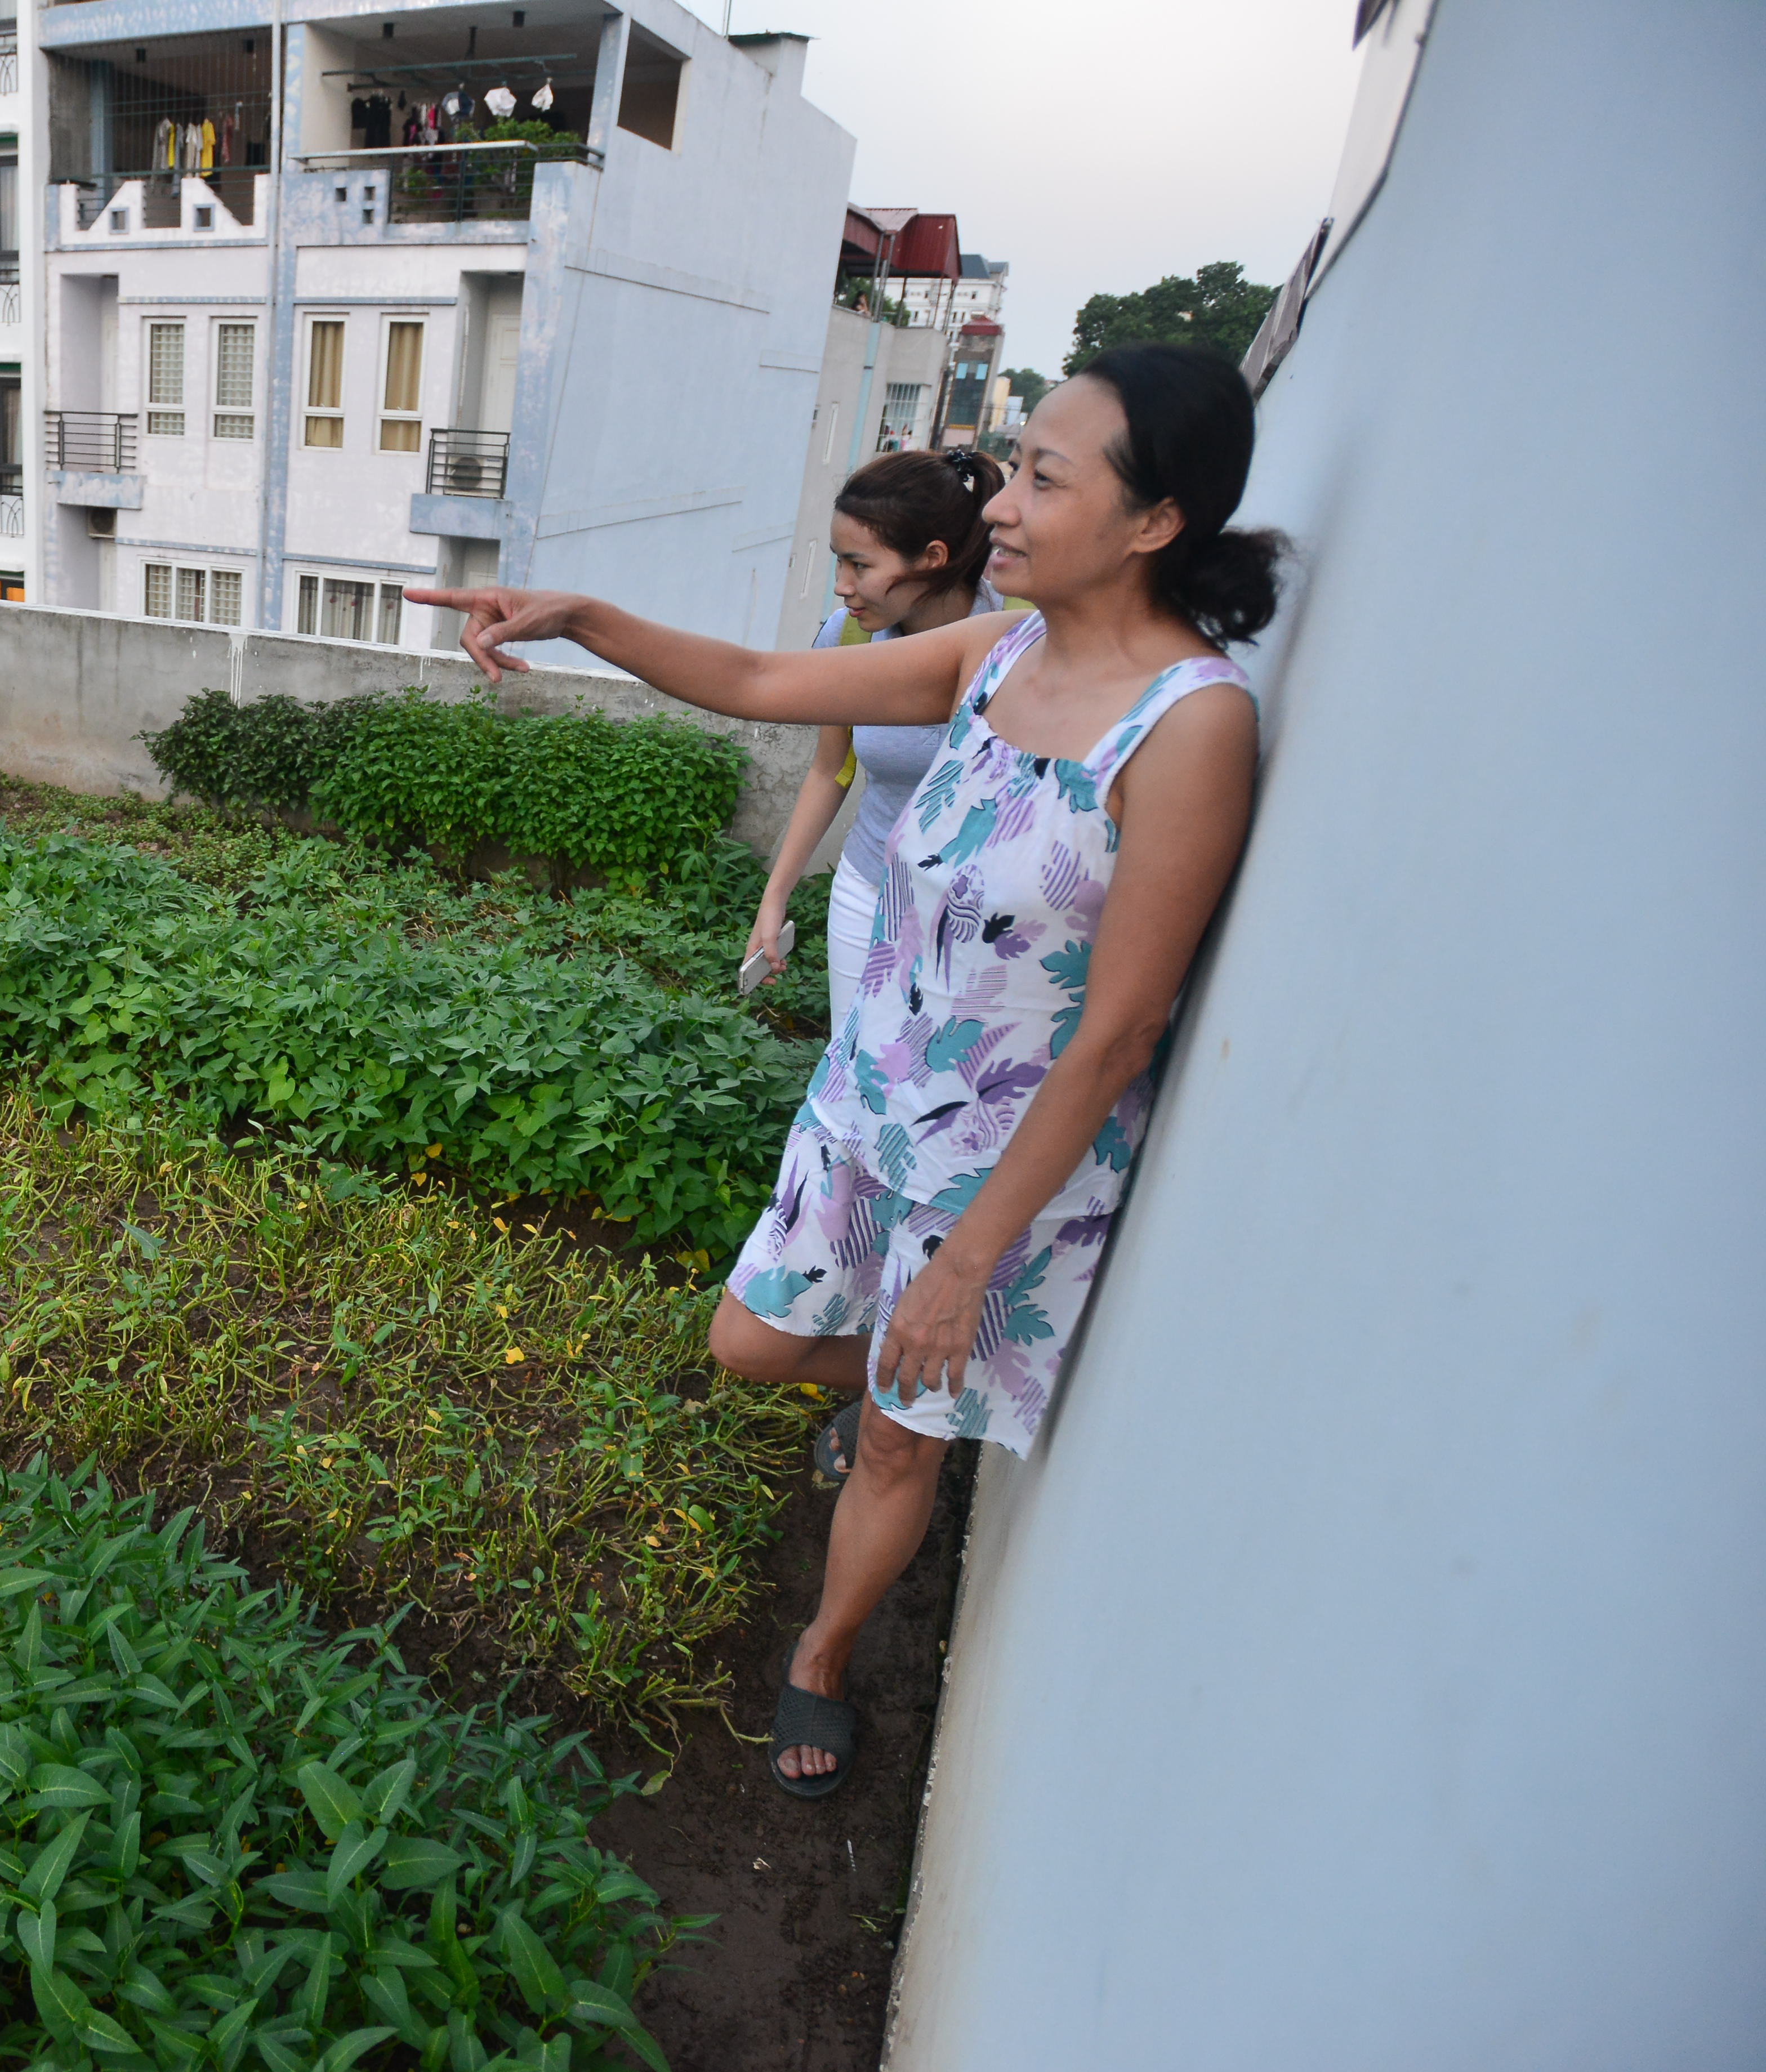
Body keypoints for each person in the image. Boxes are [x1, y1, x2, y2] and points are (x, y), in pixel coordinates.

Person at [409, 342, 1285, 1798]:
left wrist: (968, 1265)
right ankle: (930, 1391)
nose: (999, 504)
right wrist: (582, 619)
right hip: (868, 1099)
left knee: (890, 1447)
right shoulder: (995, 654)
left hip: (994, 1181)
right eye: (1012, 469)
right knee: (746, 1341)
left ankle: (821, 1655)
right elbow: (765, 678)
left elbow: (1121, 1033)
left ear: (1156, 521)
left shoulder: (1190, 727)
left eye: (1043, 479)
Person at [748, 450, 1015, 1035]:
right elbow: (831, 770)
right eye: (838, 562)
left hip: (987, 911)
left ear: (932, 558)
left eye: (859, 565)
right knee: (857, 1058)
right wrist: (775, 896)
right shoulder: (847, 638)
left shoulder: (1022, 641)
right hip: (869, 889)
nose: (842, 587)